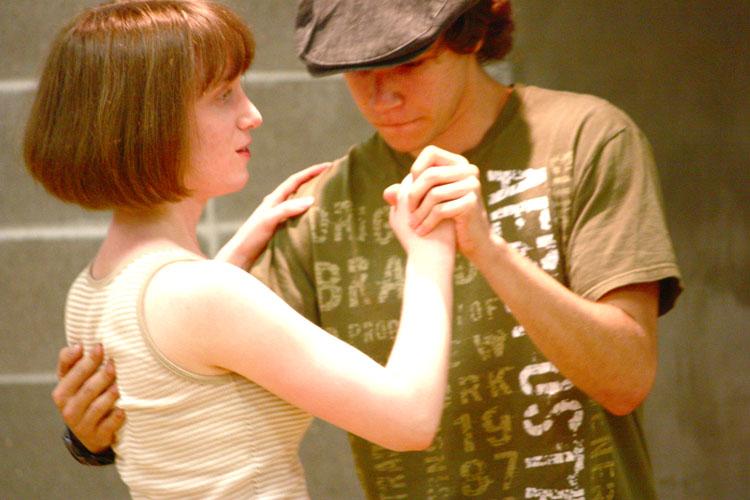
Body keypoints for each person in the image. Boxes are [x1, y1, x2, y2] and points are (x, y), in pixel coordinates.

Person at [52, 0, 684, 498]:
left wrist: (488, 251)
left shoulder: (586, 139)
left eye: (408, 63)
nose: (382, 97)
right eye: (359, 70)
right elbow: (197, 366)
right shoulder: (325, 200)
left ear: (471, 32)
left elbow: (627, 381)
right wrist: (94, 435)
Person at [28, 1, 458, 498]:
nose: (252, 115)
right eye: (224, 95)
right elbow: (408, 419)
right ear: (152, 123)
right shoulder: (205, 295)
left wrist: (227, 261)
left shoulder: (91, 290)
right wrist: (430, 252)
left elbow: (187, 386)